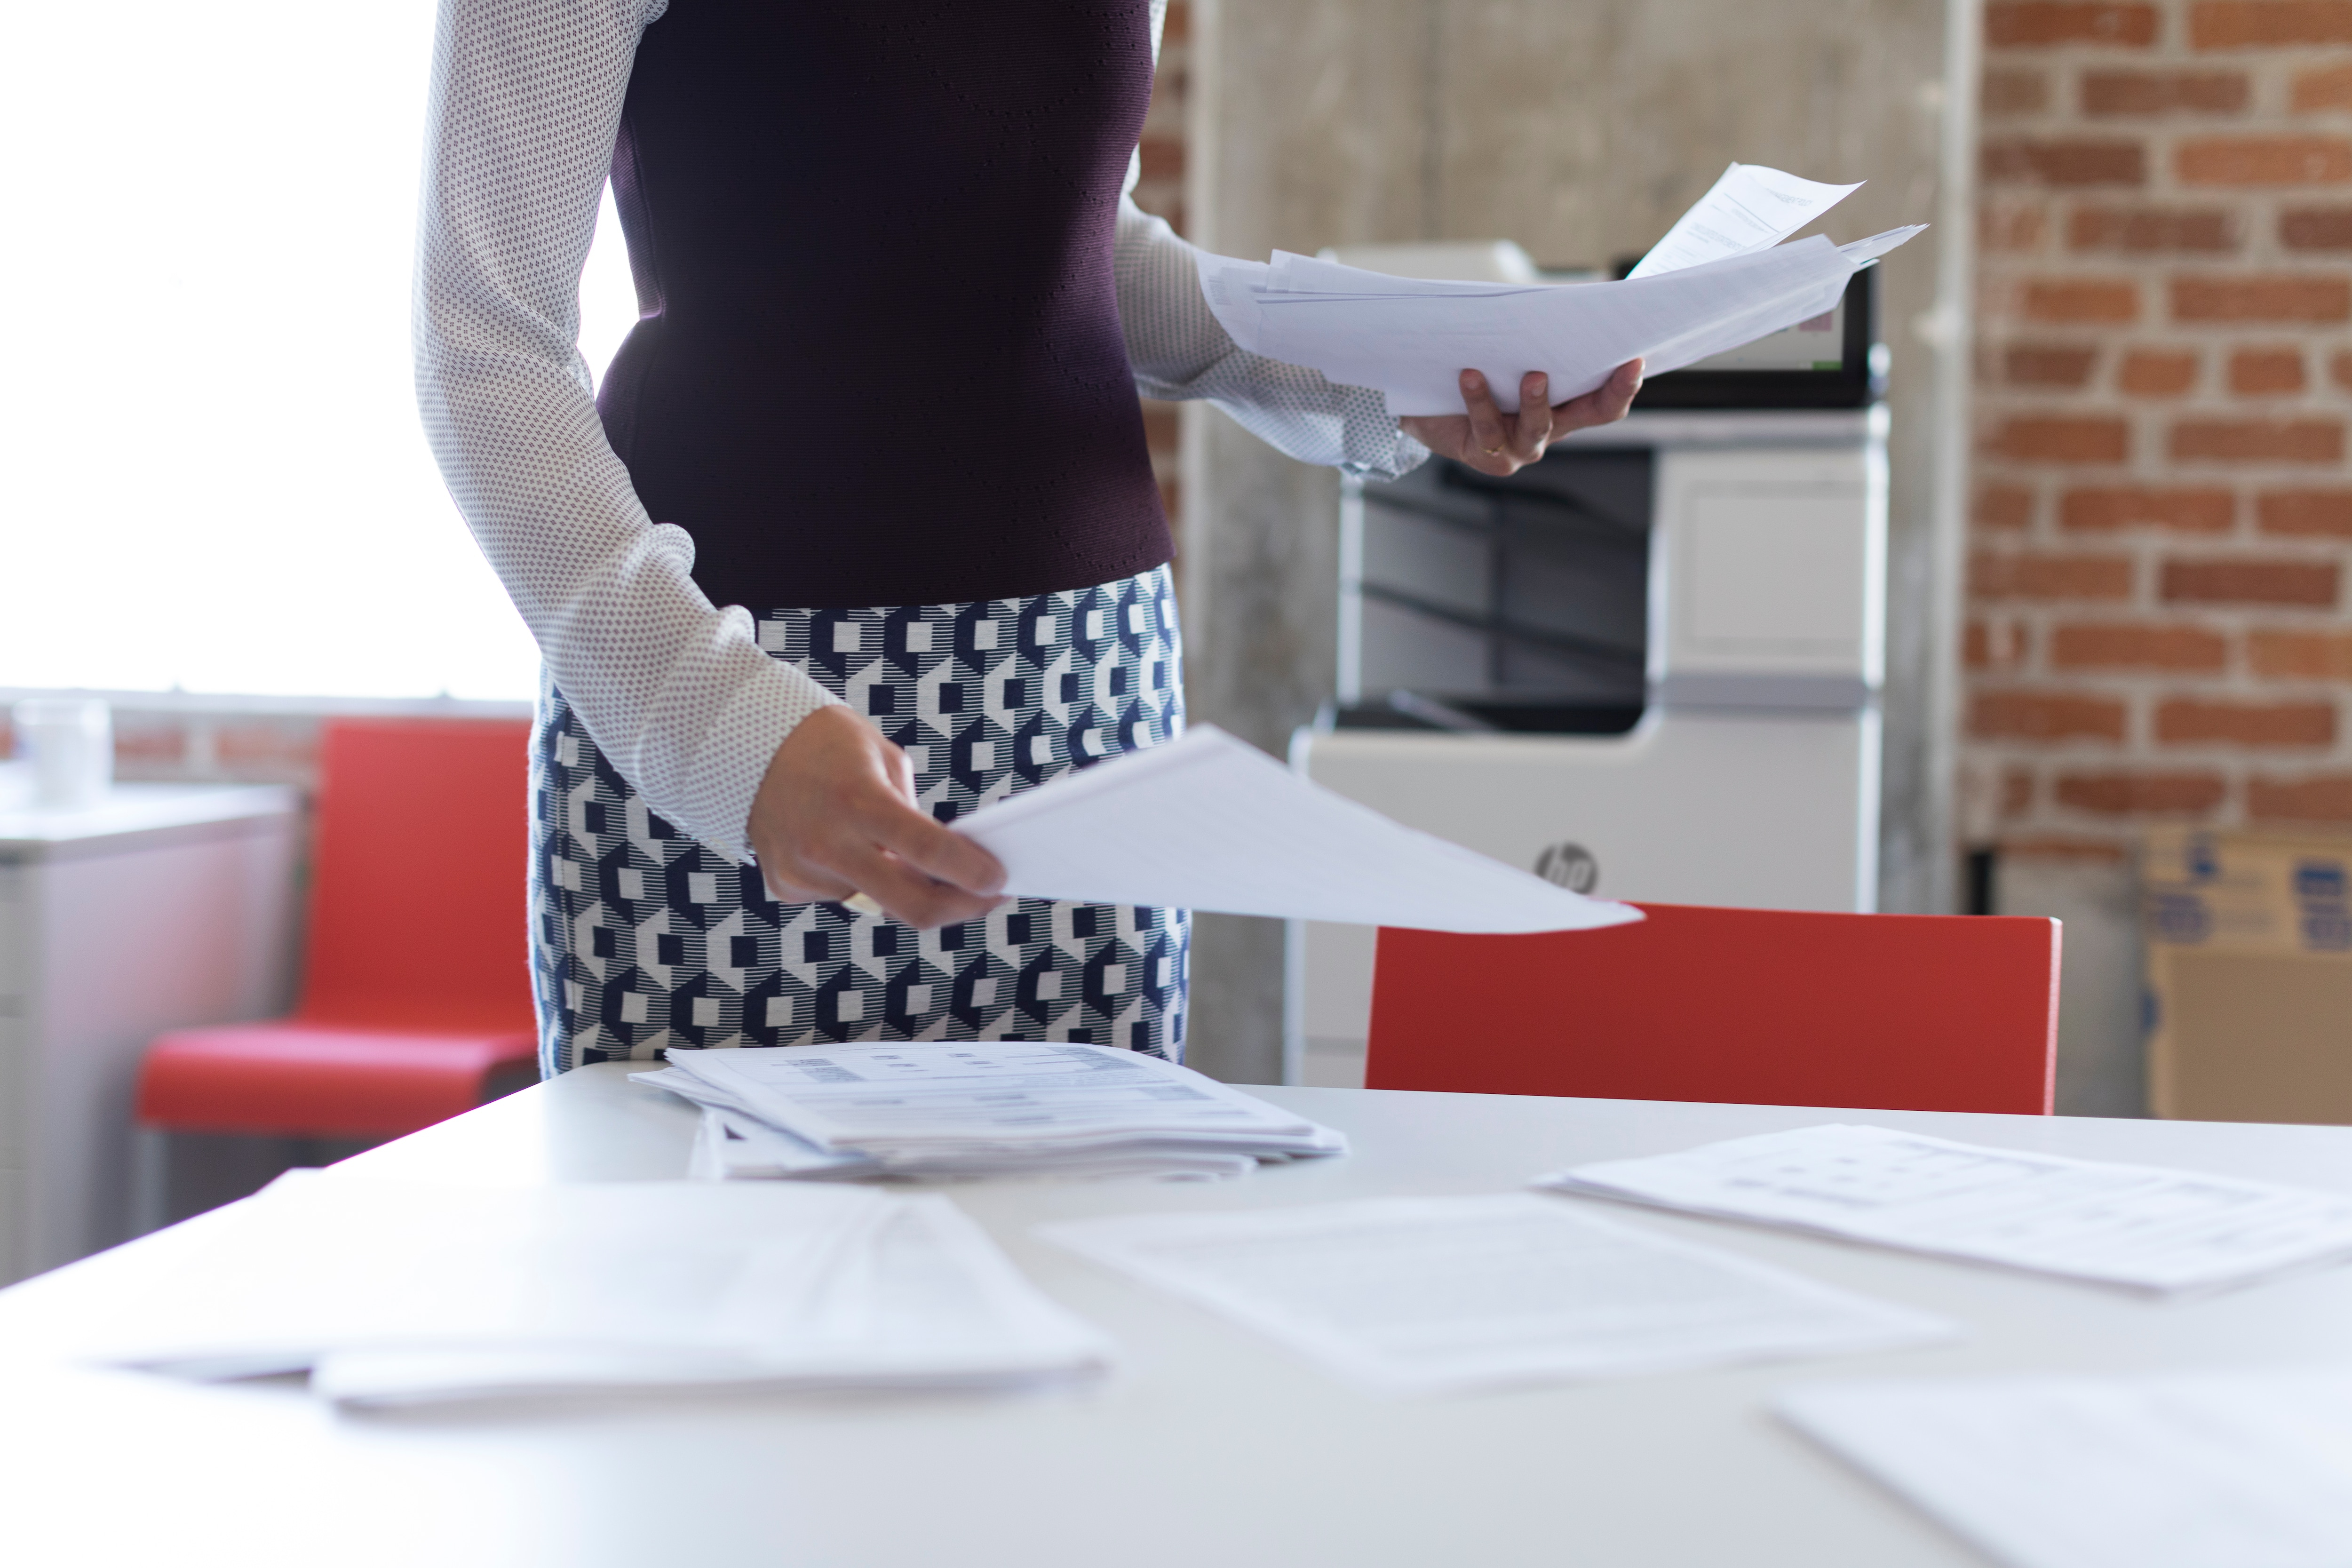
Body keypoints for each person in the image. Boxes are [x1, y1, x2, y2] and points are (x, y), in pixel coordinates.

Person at [414, 0, 1640, 1075]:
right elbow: (484, 341)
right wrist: (723, 728)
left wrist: (1385, 371)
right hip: (735, 705)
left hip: (1086, 703)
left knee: (1081, 1285)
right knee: (699, 1301)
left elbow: (1068, 245)